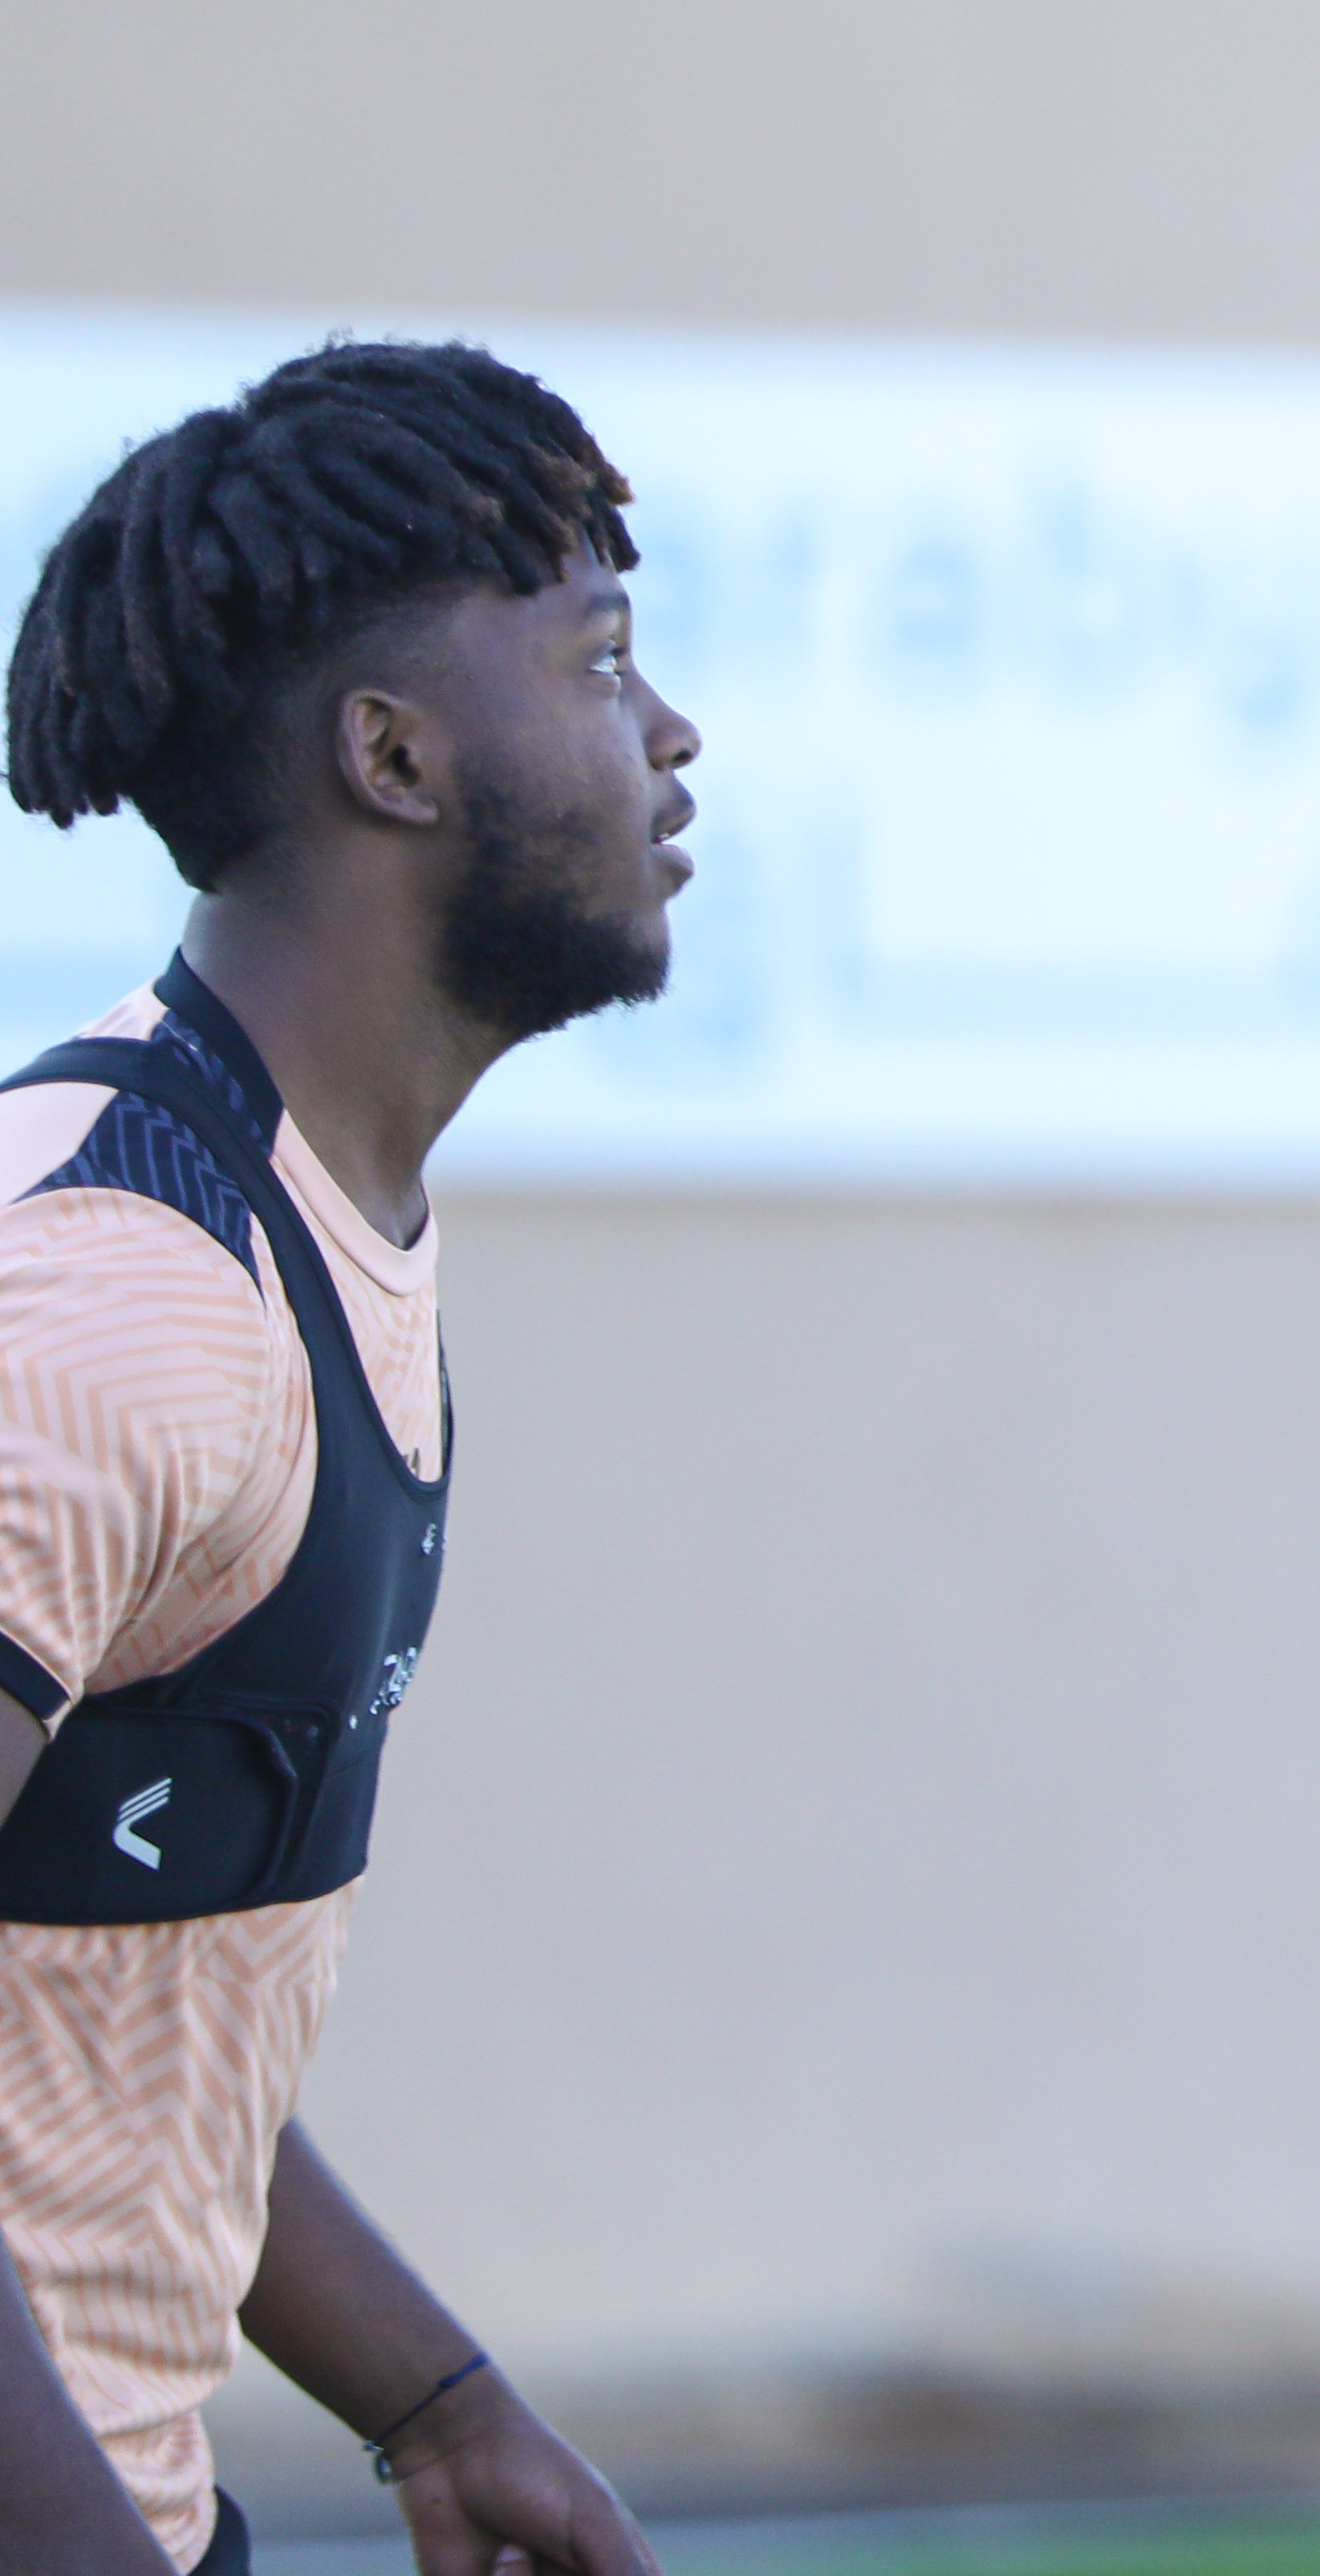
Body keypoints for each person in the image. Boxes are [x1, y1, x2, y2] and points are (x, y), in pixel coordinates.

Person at [0, 343, 696, 2576]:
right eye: (599, 662)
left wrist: (434, 2404)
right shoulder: (121, 1299)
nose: (668, 735)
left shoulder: (328, 1231)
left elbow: (129, 2001)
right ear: (390, 758)